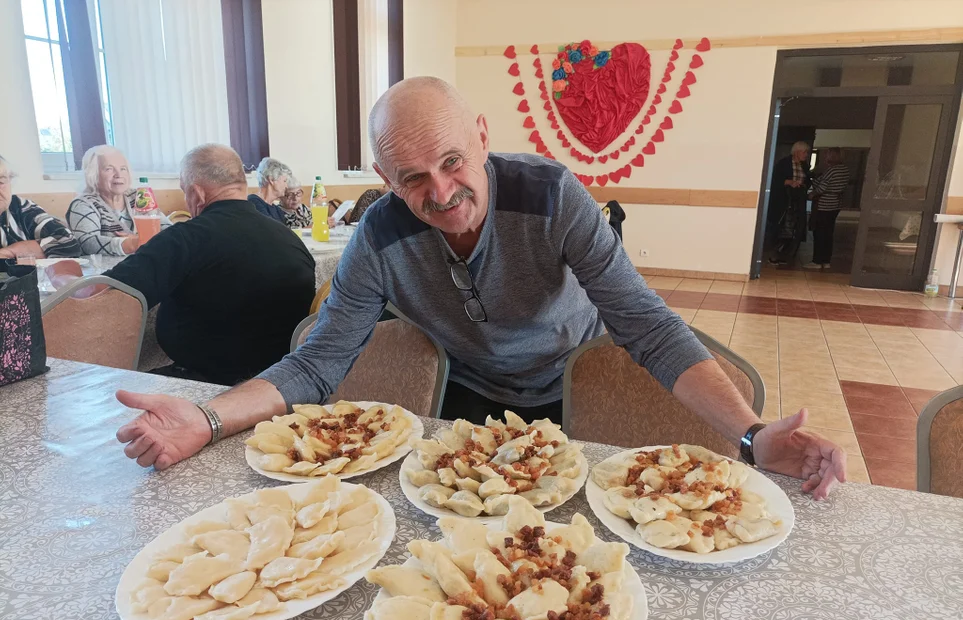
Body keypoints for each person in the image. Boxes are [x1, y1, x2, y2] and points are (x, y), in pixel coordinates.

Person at [114, 78, 846, 501]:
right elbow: (315, 363)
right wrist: (208, 419)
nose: (440, 192)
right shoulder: (376, 240)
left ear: (483, 138)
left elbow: (646, 327)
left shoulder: (555, 198)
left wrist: (749, 436)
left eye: (453, 161)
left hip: (572, 388)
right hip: (467, 406)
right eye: (410, 178)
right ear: (384, 181)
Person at [52, 144, 315, 385]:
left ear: (196, 193)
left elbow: (93, 298)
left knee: (104, 389)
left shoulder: (185, 239)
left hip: (207, 385)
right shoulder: (287, 236)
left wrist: (63, 271)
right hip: (284, 379)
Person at [65, 145, 172, 256]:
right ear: (93, 174)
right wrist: (130, 244)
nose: (119, 174)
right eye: (109, 169)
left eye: (123, 169)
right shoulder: (84, 204)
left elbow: (169, 231)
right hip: (108, 271)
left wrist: (138, 239)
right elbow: (87, 243)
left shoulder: (138, 196)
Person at [0, 154, 79, 260]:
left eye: (1, 182)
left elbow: (68, 242)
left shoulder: (20, 207)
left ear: (10, 182)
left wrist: (7, 253)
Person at [804, 148, 850, 271]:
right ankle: (826, 260)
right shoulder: (845, 170)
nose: (825, 157)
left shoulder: (832, 170)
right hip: (835, 205)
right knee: (828, 233)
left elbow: (821, 187)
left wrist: (811, 194)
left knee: (819, 233)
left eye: (828, 154)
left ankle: (817, 261)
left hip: (824, 205)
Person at [768, 141, 811, 267]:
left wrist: (803, 185)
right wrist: (789, 182)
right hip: (784, 200)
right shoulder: (784, 163)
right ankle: (774, 254)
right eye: (804, 152)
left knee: (796, 227)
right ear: (797, 152)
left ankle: (787, 255)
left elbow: (807, 180)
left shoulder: (804, 166)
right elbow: (775, 180)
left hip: (798, 200)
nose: (806, 155)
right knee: (779, 227)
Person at [248, 157, 290, 224]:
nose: (286, 186)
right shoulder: (253, 203)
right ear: (271, 180)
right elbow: (270, 230)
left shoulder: (278, 211)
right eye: (284, 181)